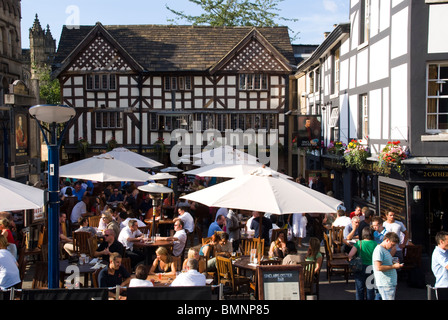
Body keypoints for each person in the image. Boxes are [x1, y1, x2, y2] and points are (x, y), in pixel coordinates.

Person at [348, 226, 378, 300]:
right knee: (370, 288)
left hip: (360, 267)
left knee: (359, 288)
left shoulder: (359, 243)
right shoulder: (375, 244)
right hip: (371, 267)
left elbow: (350, 254)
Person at [372, 232, 403, 300]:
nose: (392, 247)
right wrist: (394, 266)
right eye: (392, 245)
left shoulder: (384, 250)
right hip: (385, 284)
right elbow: (378, 267)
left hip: (387, 283)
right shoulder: (379, 250)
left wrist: (393, 263)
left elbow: (384, 263)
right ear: (387, 240)